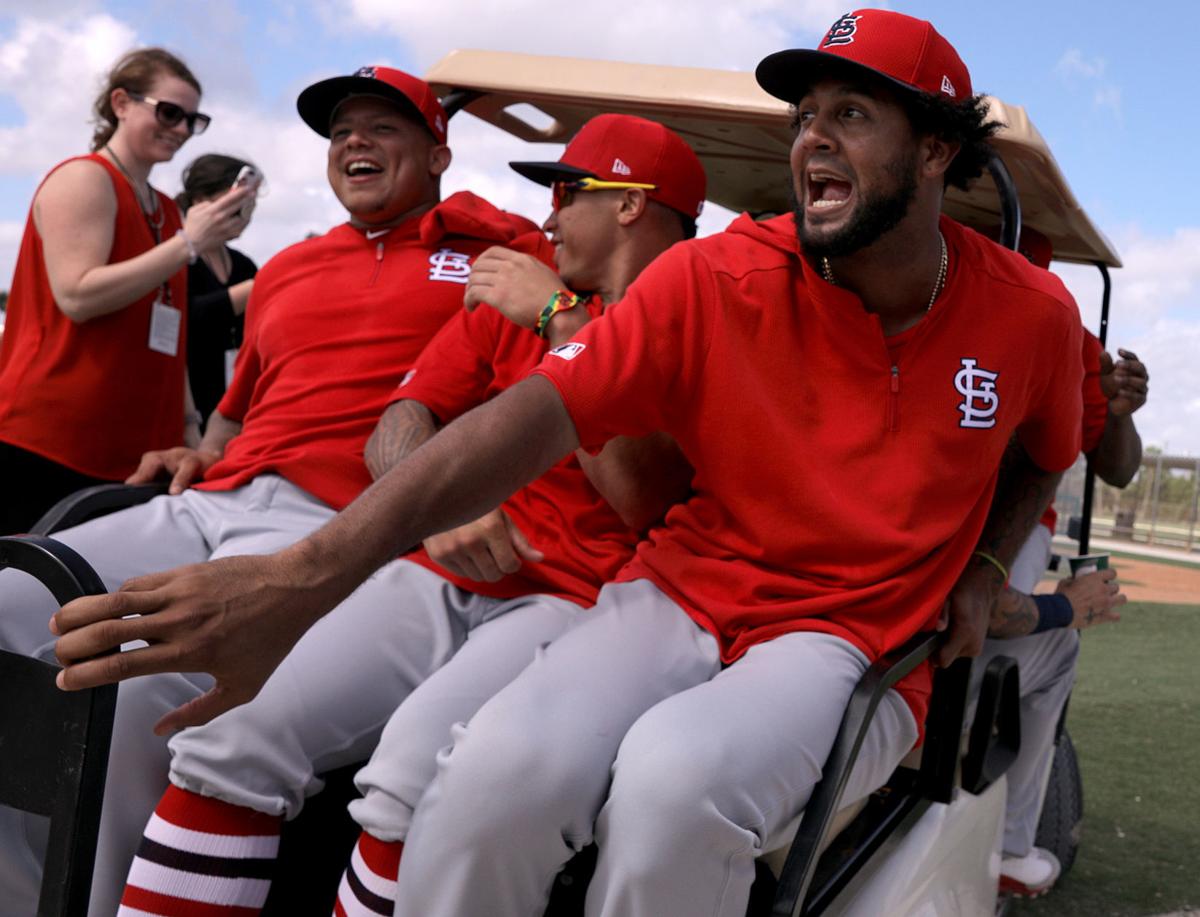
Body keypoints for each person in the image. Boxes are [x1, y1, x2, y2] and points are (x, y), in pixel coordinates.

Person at [53, 11, 1087, 916]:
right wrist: (306, 573)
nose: (813, 135)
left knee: (673, 788)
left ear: (942, 151)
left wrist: (993, 567)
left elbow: (1046, 457)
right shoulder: (719, 271)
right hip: (677, 592)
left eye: (852, 114)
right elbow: (534, 414)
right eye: (806, 115)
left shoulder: (1032, 313)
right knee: (483, 775)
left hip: (838, 628)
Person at [109, 113, 702, 917]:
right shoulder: (515, 289)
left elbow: (645, 498)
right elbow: (400, 422)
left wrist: (562, 323)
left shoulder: (689, 313)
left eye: (569, 193)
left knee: (408, 780)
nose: (550, 217)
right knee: (228, 734)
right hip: (434, 570)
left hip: (576, 599)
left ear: (630, 203)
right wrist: (433, 506)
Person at [0, 65, 541, 916]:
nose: (353, 142)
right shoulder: (289, 266)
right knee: (8, 600)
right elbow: (235, 409)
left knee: (139, 693)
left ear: (439, 152)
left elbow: (553, 367)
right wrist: (192, 451)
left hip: (335, 528)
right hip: (212, 498)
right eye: (340, 132)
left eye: (382, 128)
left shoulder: (498, 250)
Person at [0, 48, 250, 533]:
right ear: (121, 103)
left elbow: (168, 324)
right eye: (170, 112)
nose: (180, 129)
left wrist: (190, 427)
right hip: (50, 440)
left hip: (135, 451)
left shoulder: (166, 210)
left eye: (193, 120)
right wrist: (188, 244)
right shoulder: (85, 178)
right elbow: (78, 295)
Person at [978, 227, 1148, 897]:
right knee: (1042, 643)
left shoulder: (1061, 325)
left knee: (990, 622)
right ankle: (1010, 841)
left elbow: (1119, 463)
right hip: (947, 519)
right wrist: (1064, 606)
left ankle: (1009, 842)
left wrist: (1120, 412)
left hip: (1011, 526)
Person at [176, 154, 261, 428]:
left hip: (230, 407)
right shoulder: (174, 257)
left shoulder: (243, 264)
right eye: (237, 206)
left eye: (250, 208)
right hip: (185, 404)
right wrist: (256, 288)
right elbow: (185, 317)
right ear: (202, 201)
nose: (244, 218)